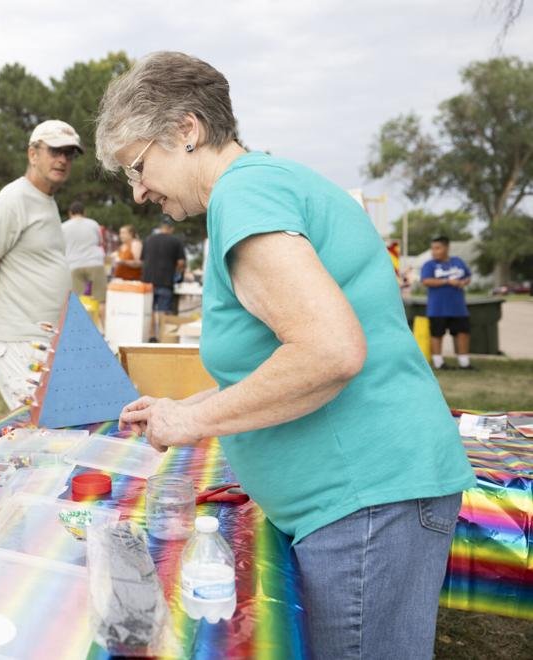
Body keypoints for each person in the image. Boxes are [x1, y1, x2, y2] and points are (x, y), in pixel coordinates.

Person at [96, 52, 475, 659]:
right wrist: (184, 405)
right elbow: (279, 365)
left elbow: (330, 351)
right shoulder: (268, 185)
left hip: (363, 501)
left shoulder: (243, 196)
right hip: (365, 500)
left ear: (187, 131)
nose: (139, 191)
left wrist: (192, 421)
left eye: (139, 167)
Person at [0, 119, 79, 409]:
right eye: (55, 151)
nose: (62, 159)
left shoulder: (45, 200)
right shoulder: (13, 200)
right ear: (33, 154)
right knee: (37, 430)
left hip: (42, 338)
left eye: (70, 153)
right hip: (20, 341)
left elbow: (17, 269)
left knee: (54, 429)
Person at [420, 236, 473, 370]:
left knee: (463, 333)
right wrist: (447, 281)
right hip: (438, 308)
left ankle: (464, 363)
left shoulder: (458, 262)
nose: (434, 251)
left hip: (458, 308)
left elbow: (468, 276)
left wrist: (464, 282)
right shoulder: (429, 265)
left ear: (447, 248)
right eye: (432, 248)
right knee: (437, 334)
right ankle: (438, 363)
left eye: (437, 248)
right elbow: (426, 281)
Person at [61, 200, 107, 322]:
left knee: (77, 301)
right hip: (94, 263)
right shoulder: (93, 224)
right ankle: (104, 330)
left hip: (74, 264)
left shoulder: (63, 227)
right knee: (100, 299)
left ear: (70, 213)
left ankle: (80, 329)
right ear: (84, 212)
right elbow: (99, 242)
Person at [141, 218, 186, 341]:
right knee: (163, 310)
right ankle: (162, 336)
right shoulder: (176, 241)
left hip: (148, 281)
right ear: (171, 229)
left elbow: (142, 260)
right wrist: (177, 272)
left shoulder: (148, 239)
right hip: (166, 281)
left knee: (149, 310)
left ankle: (151, 336)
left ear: (160, 227)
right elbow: (181, 262)